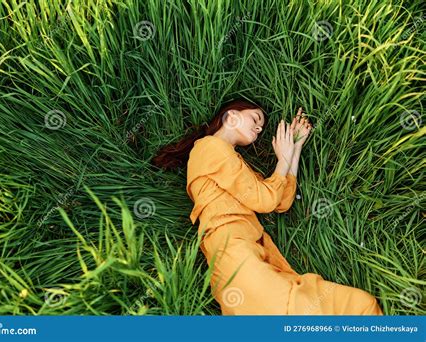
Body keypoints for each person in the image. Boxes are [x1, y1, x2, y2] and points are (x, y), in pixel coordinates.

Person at [152, 98, 383, 315]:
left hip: (248, 252)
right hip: (232, 250)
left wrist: (294, 150)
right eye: (255, 119)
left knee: (360, 305)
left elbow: (281, 202)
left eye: (261, 126)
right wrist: (282, 159)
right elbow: (265, 200)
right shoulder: (210, 147)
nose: (259, 129)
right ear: (231, 117)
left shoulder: (234, 163)